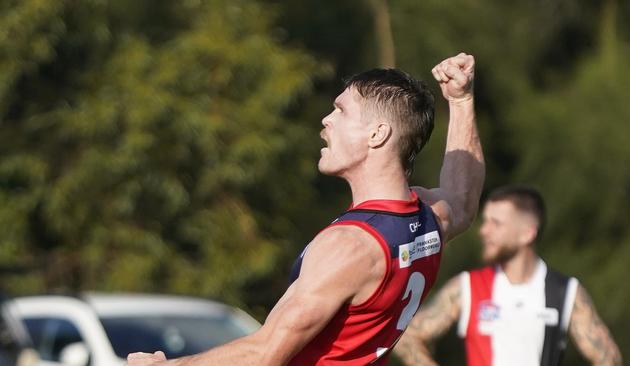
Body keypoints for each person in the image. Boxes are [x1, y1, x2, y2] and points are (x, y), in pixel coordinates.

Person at [126, 52, 485, 366]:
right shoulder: (426, 218)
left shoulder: (349, 247)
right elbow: (463, 199)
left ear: (377, 134)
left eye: (341, 111)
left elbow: (265, 354)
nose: (326, 120)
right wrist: (461, 100)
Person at [394, 186, 623, 366]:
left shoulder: (565, 292)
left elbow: (608, 357)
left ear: (527, 233)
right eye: (485, 222)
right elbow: (407, 337)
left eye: (496, 224)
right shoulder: (468, 287)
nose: (484, 231)